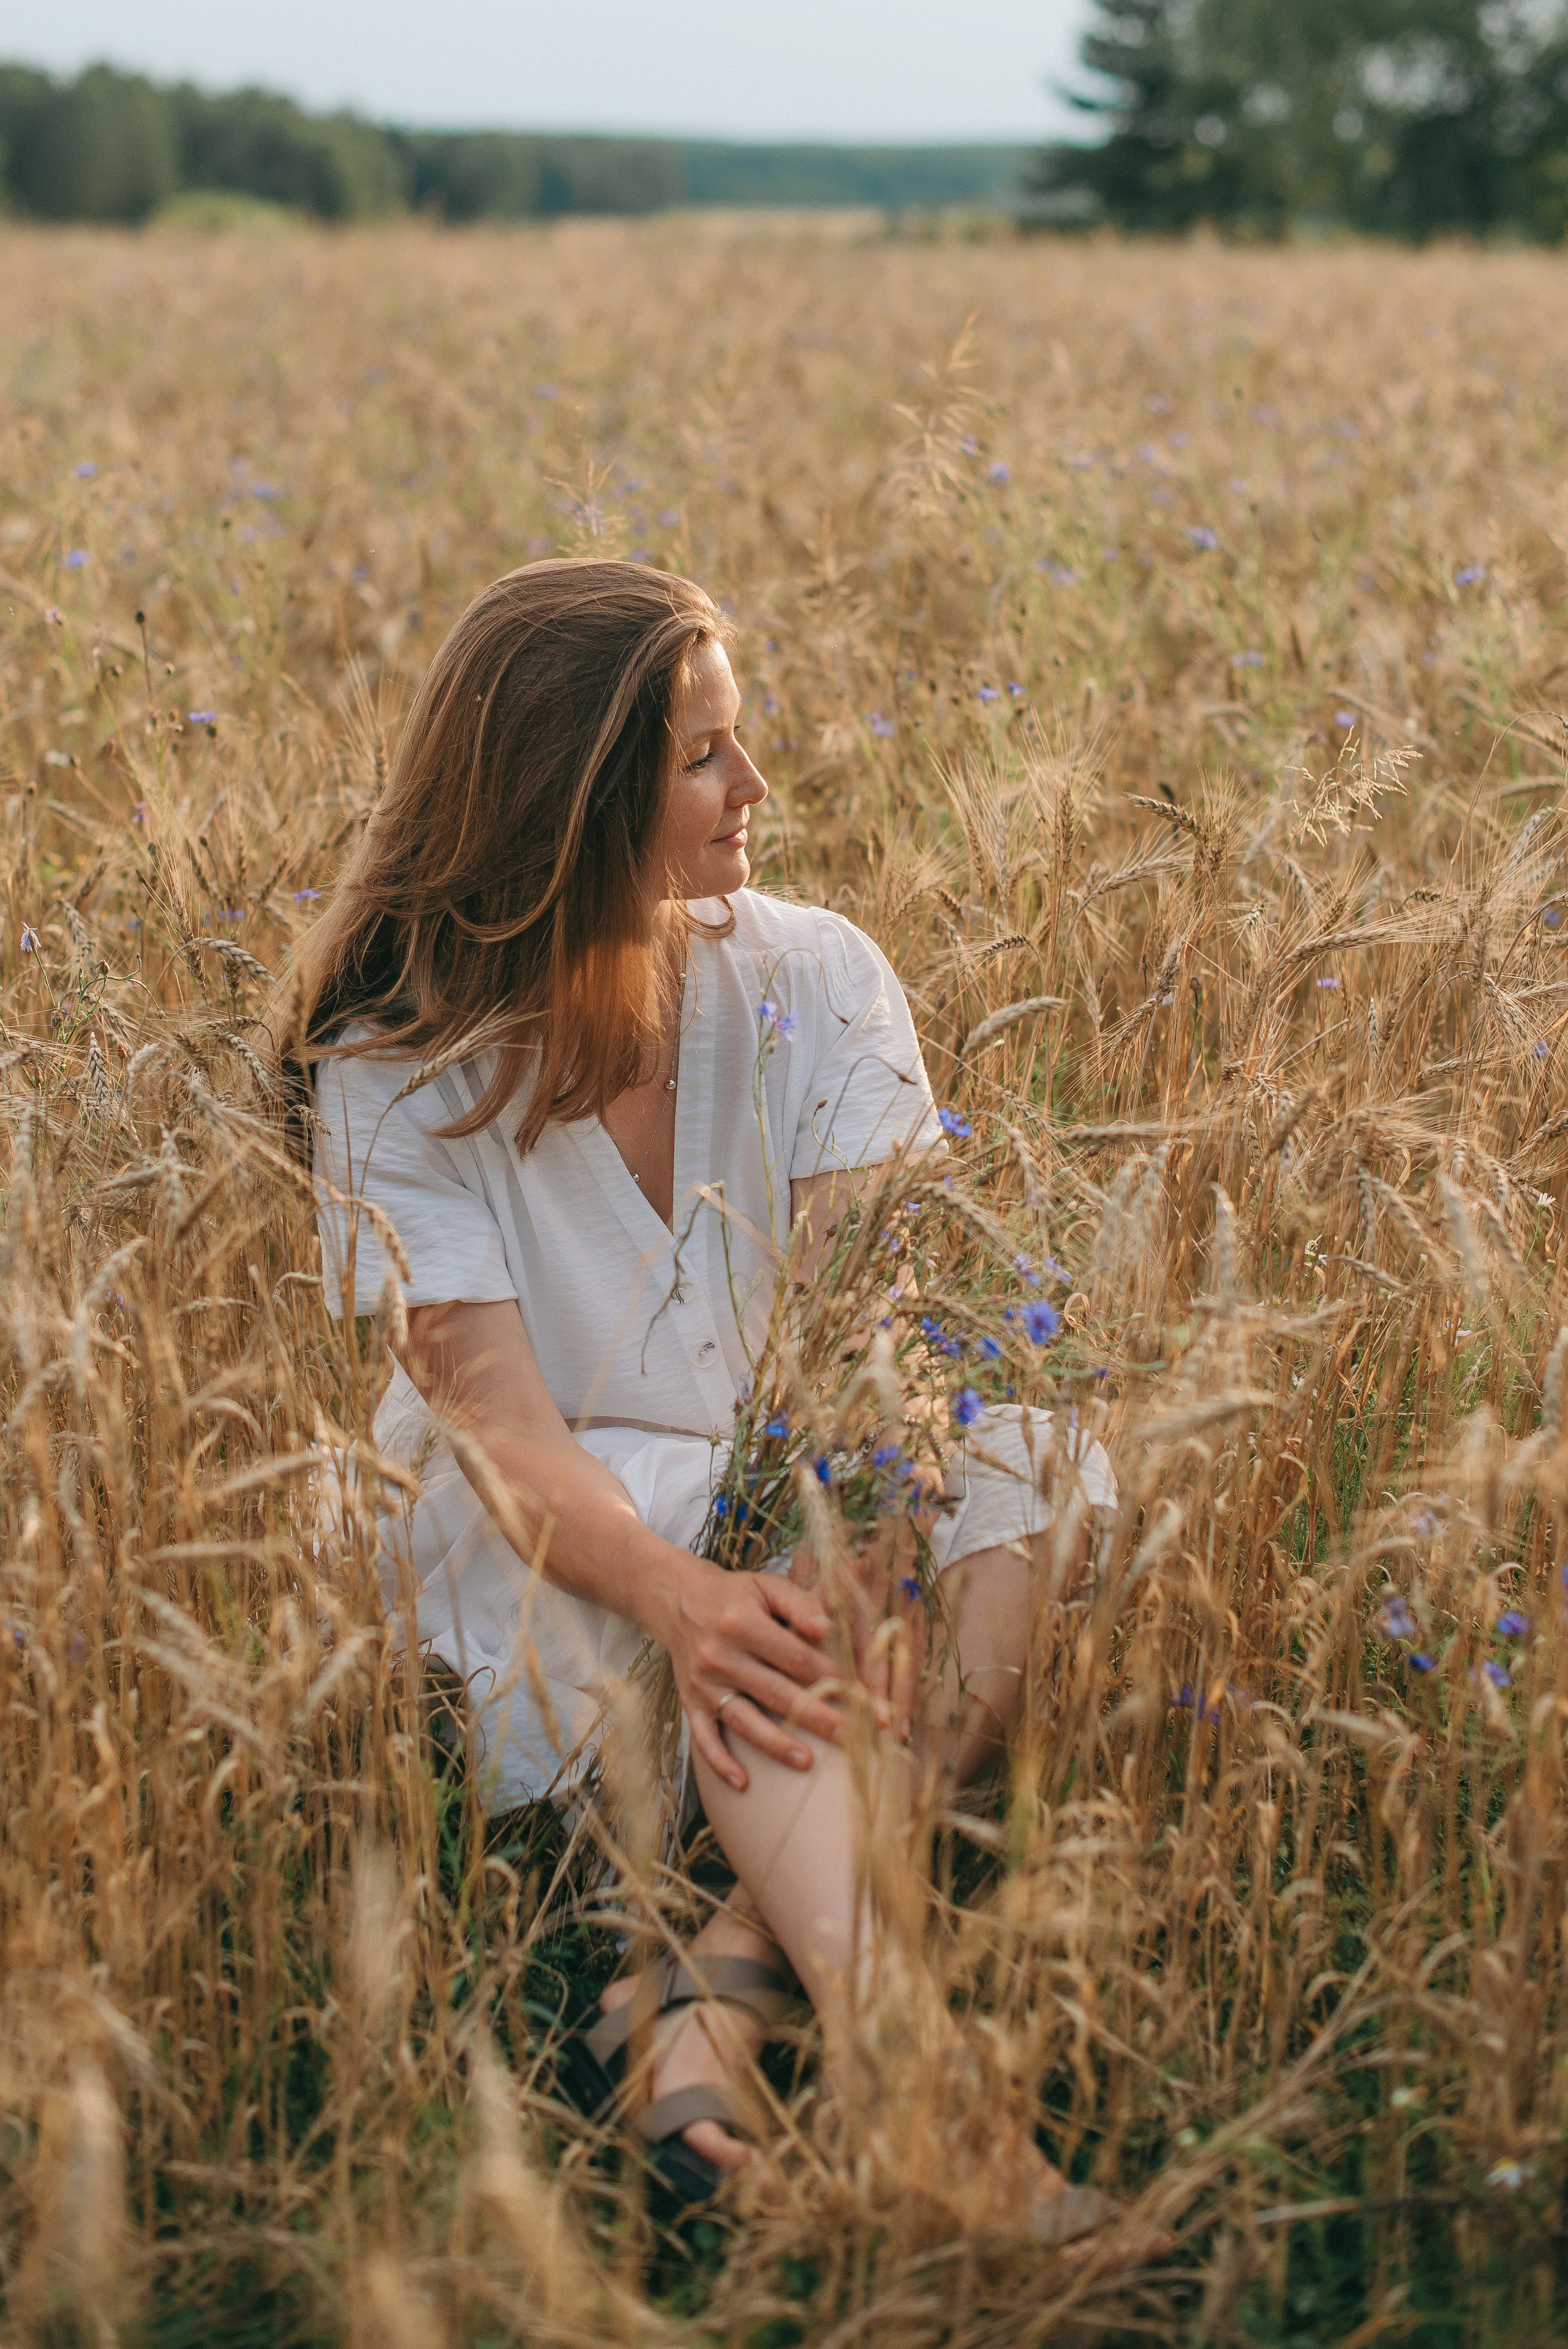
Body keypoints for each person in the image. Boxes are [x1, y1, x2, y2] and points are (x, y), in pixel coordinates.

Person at [290, 559, 1117, 2236]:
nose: (758, 791)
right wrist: (696, 1600)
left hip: (784, 1469)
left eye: (740, 745)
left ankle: (716, 1971)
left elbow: (864, 1344)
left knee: (1039, 1453)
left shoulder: (815, 975)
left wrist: (855, 1527)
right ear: (574, 806)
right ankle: (924, 2082)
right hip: (548, 1527)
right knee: (757, 1595)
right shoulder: (393, 1052)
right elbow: (502, 1427)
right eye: (705, 760)